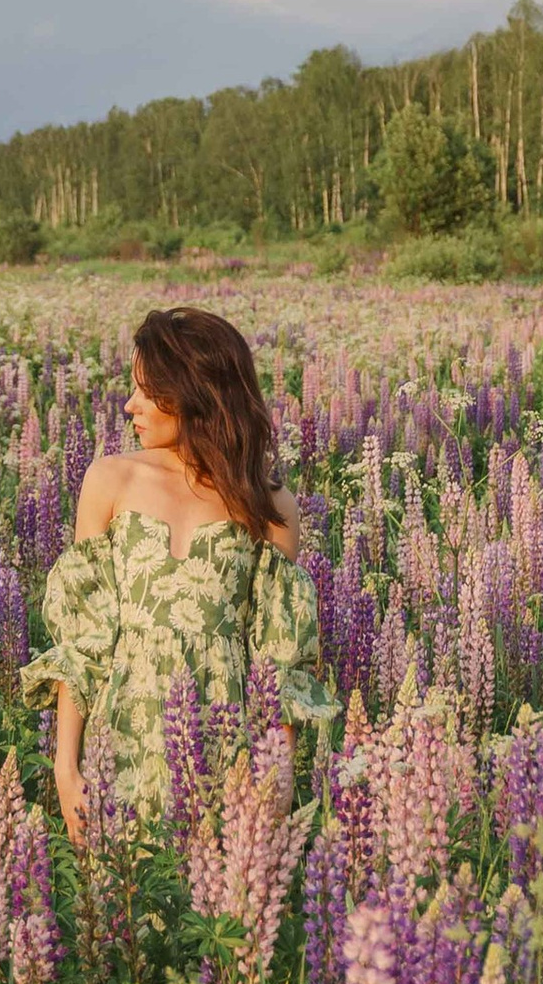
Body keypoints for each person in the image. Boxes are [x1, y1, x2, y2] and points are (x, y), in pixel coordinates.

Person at [27, 306, 331, 840]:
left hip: (228, 755)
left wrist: (276, 788)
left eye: (147, 392)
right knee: (122, 908)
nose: (129, 406)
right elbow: (84, 639)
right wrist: (66, 768)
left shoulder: (269, 506)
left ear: (195, 395)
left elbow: (278, 664)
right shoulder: (110, 480)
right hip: (120, 746)